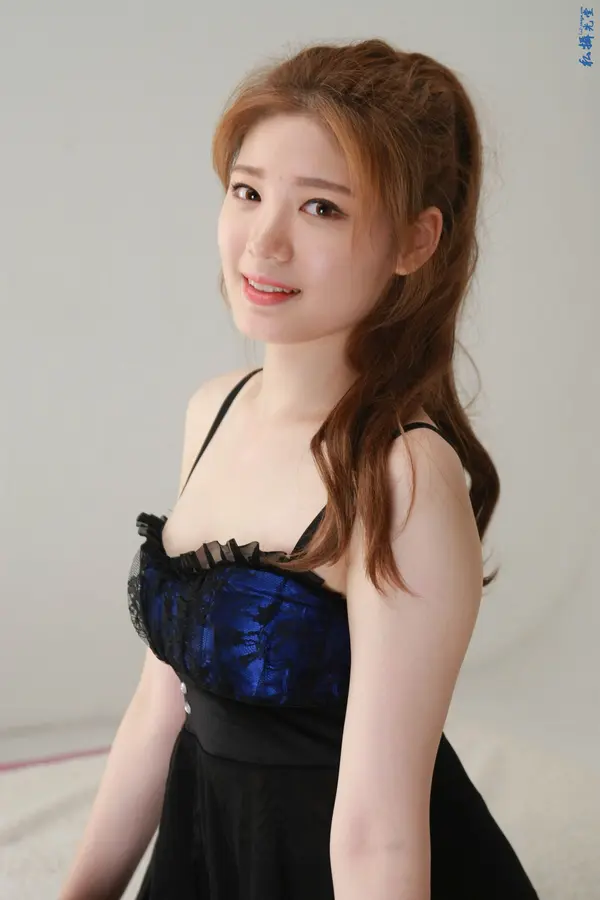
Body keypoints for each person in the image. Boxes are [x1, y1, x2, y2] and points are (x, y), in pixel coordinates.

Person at [60, 37, 540, 900]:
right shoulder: (213, 410)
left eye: (321, 208)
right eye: (247, 192)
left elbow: (378, 833)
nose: (264, 241)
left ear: (415, 241)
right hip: (210, 852)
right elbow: (159, 710)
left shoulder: (404, 477)